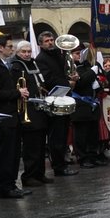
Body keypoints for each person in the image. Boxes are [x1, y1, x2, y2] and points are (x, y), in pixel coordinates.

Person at [0, 35, 27, 196]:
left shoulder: (8, 65)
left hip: (12, 115)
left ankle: (12, 184)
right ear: (0, 48)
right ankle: (6, 186)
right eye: (9, 46)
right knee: (6, 154)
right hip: (3, 117)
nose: (12, 49)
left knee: (15, 153)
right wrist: (17, 93)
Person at [35, 30, 76, 176]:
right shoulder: (41, 59)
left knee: (64, 132)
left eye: (51, 40)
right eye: (47, 41)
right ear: (40, 44)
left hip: (64, 97)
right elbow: (48, 79)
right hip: (55, 99)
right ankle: (58, 165)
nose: (51, 42)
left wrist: (72, 75)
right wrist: (67, 82)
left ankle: (62, 162)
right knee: (57, 135)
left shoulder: (59, 55)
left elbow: (63, 71)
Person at [13, 40, 50, 186]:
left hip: (40, 107)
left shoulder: (34, 63)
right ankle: (29, 176)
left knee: (41, 144)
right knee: (31, 146)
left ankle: (39, 173)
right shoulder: (16, 67)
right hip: (28, 109)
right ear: (18, 53)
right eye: (24, 52)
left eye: (29, 51)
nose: (27, 54)